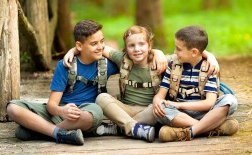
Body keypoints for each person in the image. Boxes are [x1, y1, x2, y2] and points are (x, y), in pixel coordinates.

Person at [64, 25, 220, 143]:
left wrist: (210, 56)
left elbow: (192, 52)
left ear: (149, 46)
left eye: (141, 45)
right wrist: (72, 51)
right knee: (101, 98)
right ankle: (132, 127)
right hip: (127, 108)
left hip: (150, 111)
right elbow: (97, 47)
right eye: (131, 46)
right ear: (126, 48)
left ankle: (122, 127)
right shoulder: (122, 59)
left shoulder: (161, 60)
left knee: (159, 107)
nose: (136, 49)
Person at [6, 20, 119, 145]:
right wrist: (62, 111)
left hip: (84, 112)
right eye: (94, 43)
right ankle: (59, 133)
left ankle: (42, 131)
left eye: (102, 41)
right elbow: (51, 105)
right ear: (80, 46)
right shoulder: (65, 65)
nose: (100, 47)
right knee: (12, 108)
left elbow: (126, 57)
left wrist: (73, 50)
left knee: (95, 113)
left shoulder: (106, 64)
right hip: (61, 112)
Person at [152, 25, 239, 142]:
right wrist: (157, 100)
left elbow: (209, 103)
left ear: (194, 52)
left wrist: (179, 105)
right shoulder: (173, 66)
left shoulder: (209, 68)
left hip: (206, 113)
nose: (174, 52)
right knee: (159, 109)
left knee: (230, 100)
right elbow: (161, 95)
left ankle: (186, 132)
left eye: (178, 49)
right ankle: (210, 128)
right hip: (180, 115)